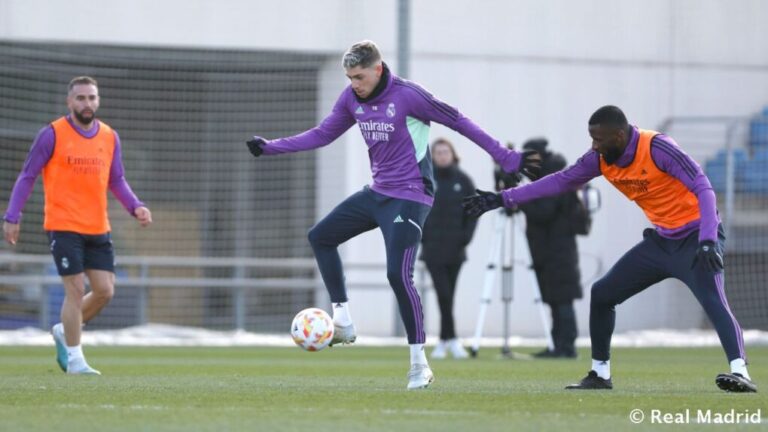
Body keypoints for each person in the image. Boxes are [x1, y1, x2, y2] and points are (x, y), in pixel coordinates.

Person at [246, 40, 540, 390]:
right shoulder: (350, 98)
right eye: (349, 77)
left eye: (359, 76)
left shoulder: (409, 96)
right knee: (320, 237)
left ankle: (419, 365)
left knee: (398, 275)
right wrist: (270, 148)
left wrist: (504, 157)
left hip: (411, 196)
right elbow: (323, 135)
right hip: (378, 193)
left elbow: (460, 122)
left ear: (378, 69)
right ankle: (343, 321)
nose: (354, 83)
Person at [463, 105, 756, 393]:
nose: (593, 146)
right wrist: (503, 198)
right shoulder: (600, 159)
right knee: (602, 294)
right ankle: (600, 374)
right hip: (661, 242)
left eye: (598, 139)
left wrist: (707, 240)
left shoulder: (657, 148)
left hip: (696, 239)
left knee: (713, 301)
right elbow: (560, 181)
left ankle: (740, 373)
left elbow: (703, 186)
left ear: (618, 136)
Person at [3, 76, 152, 375]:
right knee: (75, 289)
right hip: (63, 224)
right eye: (81, 98)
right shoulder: (52, 134)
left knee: (105, 291)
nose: (87, 103)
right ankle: (75, 359)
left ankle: (63, 329)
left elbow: (116, 179)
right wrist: (12, 216)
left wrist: (135, 205)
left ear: (98, 101)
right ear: (69, 102)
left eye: (92, 98)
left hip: (97, 226)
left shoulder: (110, 136)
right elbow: (28, 175)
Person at [517, 138, 582, 359]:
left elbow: (543, 212)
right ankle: (557, 344)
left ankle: (567, 346)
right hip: (549, 249)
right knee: (555, 299)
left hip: (558, 249)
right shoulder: (549, 179)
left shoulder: (554, 181)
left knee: (562, 298)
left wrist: (520, 197)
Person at [419, 138, 477, 360]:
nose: (442, 155)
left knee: (449, 295)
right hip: (433, 249)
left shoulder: (463, 181)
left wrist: (466, 237)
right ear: (432, 156)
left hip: (456, 249)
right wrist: (422, 237)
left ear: (453, 154)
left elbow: (473, 212)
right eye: (438, 152)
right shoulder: (425, 180)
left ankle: (446, 340)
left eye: (446, 151)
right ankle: (449, 340)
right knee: (443, 294)